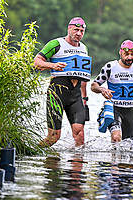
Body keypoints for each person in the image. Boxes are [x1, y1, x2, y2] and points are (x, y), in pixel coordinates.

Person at [34, 17, 92, 147]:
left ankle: (76, 166)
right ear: (69, 29)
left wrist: (85, 99)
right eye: (76, 29)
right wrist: (52, 66)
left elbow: (83, 77)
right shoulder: (56, 44)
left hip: (76, 96)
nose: (78, 33)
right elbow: (36, 62)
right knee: (53, 137)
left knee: (80, 136)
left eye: (82, 31)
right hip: (57, 94)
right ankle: (30, 152)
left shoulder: (83, 48)